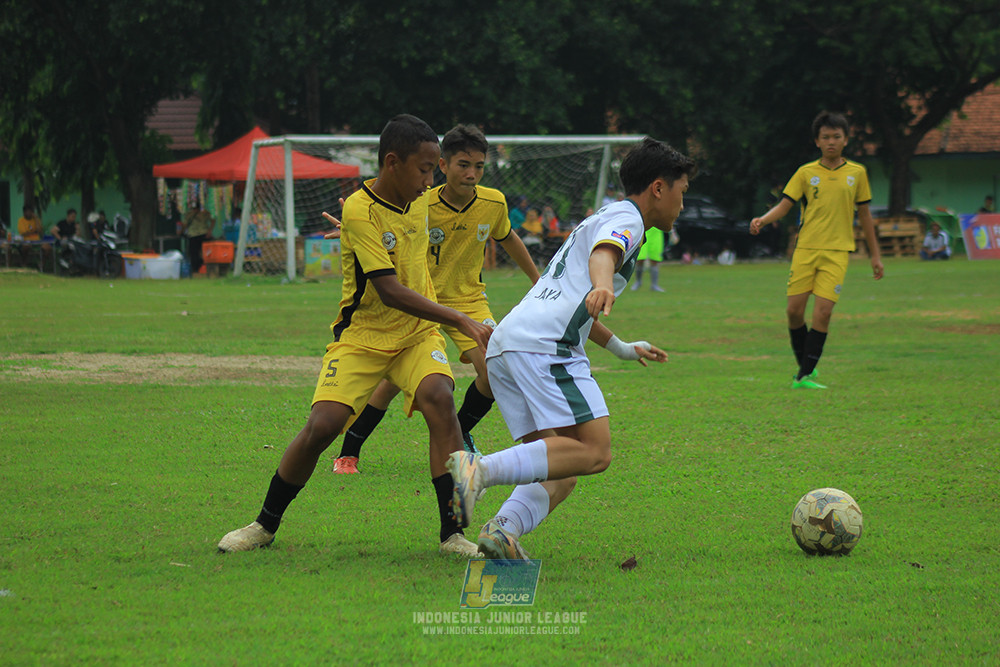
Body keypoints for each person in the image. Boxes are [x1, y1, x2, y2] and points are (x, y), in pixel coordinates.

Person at [217, 115, 493, 557]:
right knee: (323, 426)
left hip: (417, 335)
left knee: (440, 399)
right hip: (363, 336)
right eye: (424, 169)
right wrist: (459, 319)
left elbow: (443, 215)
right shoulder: (359, 210)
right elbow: (389, 289)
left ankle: (453, 533)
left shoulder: (420, 200)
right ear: (392, 163)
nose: (431, 179)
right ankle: (263, 525)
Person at [446, 137, 696, 559]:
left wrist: (620, 348)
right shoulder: (629, 219)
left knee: (558, 468)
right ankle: (478, 470)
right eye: (682, 193)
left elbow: (575, 302)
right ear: (658, 187)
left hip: (511, 343)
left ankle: (502, 532)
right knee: (595, 452)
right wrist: (603, 282)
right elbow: (605, 256)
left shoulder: (600, 216)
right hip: (544, 348)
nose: (682, 205)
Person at [331, 124, 540, 476]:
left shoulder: (494, 203)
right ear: (443, 165)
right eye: (463, 165)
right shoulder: (419, 201)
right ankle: (349, 450)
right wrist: (350, 227)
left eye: (478, 166)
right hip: (421, 300)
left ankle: (461, 432)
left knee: (496, 367)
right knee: (391, 383)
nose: (471, 174)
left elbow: (508, 238)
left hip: (470, 302)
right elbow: (382, 223)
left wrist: (538, 281)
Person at [750, 111, 883, 389]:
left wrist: (875, 255)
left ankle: (804, 375)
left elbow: (866, 217)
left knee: (822, 313)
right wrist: (763, 219)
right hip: (806, 250)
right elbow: (785, 205)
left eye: (837, 136)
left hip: (837, 252)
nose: (831, 141)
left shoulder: (857, 173)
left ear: (846, 140)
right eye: (826, 137)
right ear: (817, 141)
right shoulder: (806, 173)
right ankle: (805, 368)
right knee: (794, 312)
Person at [182, 202, 215, 274]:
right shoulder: (205, 212)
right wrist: (210, 230)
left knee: (194, 254)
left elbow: (184, 224)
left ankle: (196, 270)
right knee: (205, 253)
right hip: (204, 234)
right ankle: (205, 269)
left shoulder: (189, 214)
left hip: (193, 235)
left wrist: (182, 231)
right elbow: (213, 220)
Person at [631, 226, 665, 291]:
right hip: (643, 231)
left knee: (654, 259)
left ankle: (654, 285)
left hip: (656, 232)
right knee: (640, 258)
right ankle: (638, 282)